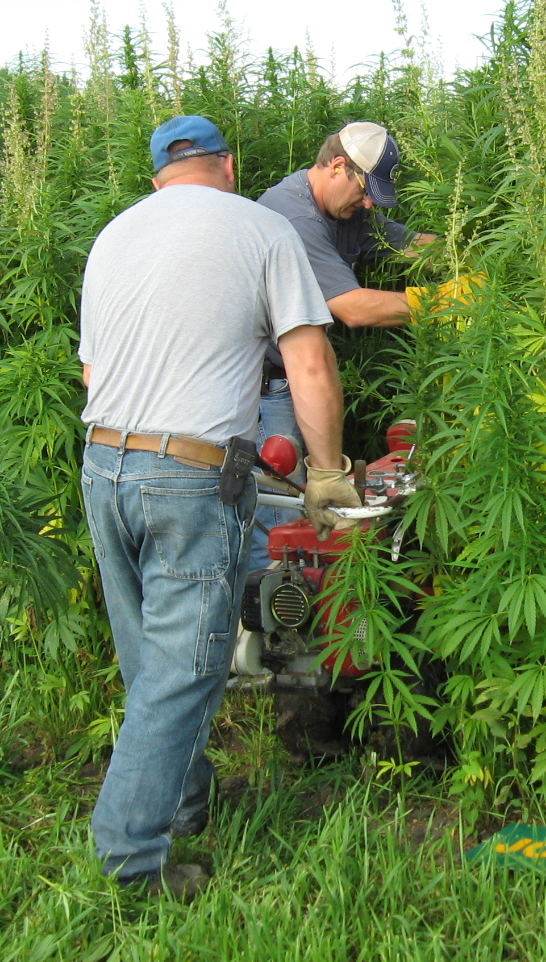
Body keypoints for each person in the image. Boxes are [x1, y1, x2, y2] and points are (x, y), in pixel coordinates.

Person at [78, 114, 360, 898]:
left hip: (103, 464)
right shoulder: (261, 228)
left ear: (160, 173)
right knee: (187, 666)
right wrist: (329, 471)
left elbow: (94, 375)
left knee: (149, 657)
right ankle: (131, 860)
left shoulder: (113, 238)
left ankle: (183, 806)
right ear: (227, 164)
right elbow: (307, 362)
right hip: (189, 474)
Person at [247, 123, 436, 565]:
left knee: (310, 519)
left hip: (302, 379)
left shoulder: (346, 211)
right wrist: (444, 301)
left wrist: (471, 251)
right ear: (338, 167)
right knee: (283, 527)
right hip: (266, 389)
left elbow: (410, 245)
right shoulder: (291, 217)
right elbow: (353, 308)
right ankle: (271, 624)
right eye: (366, 191)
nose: (369, 203)